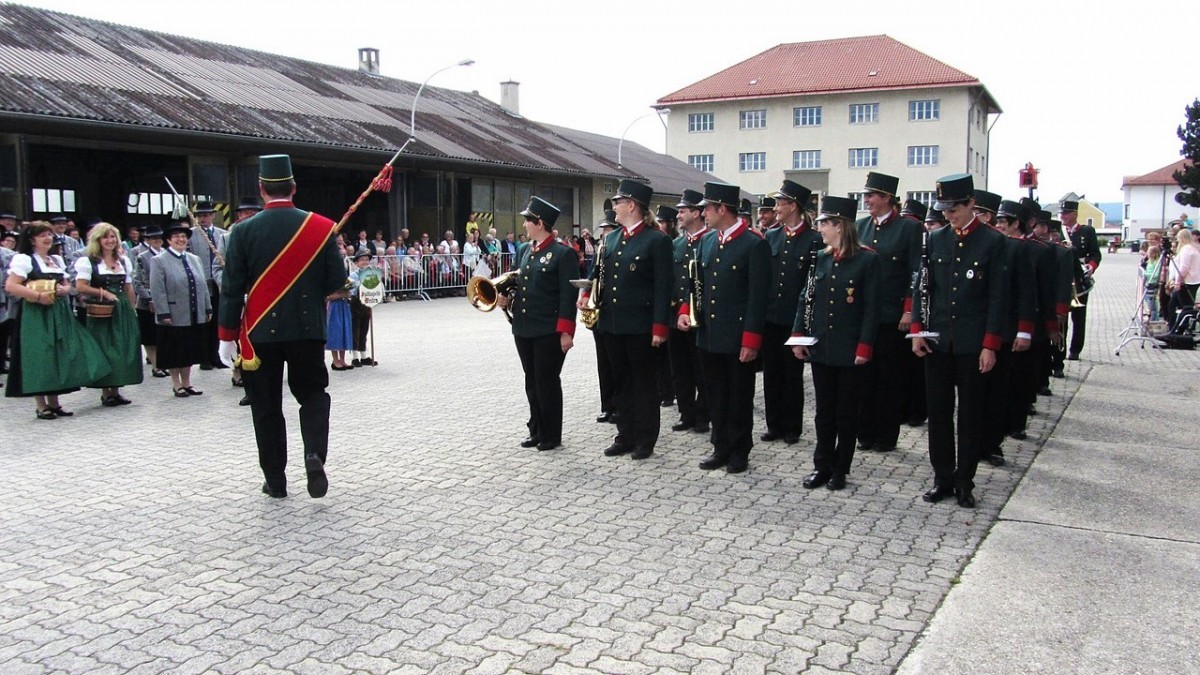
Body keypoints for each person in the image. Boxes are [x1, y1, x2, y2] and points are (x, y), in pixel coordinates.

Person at [218, 154, 346, 500]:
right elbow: (337, 279)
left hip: (261, 332)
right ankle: (314, 453)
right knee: (313, 394)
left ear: (262, 189)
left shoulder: (241, 231)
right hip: (308, 329)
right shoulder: (320, 227)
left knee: (266, 406)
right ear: (294, 187)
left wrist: (226, 335)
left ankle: (275, 480)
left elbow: (231, 288)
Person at [911, 174, 1009, 509]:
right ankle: (942, 478)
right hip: (938, 340)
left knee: (970, 415)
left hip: (972, 343)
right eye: (945, 210)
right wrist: (918, 330)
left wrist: (990, 344)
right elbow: (923, 287)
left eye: (954, 209)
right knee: (938, 414)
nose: (948, 215)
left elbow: (998, 297)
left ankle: (965, 480)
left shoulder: (992, 242)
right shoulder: (935, 239)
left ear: (971, 205)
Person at [677, 181, 770, 474]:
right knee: (715, 394)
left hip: (737, 336)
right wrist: (686, 311)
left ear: (722, 209)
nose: (703, 213)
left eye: (707, 208)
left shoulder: (754, 243)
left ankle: (739, 450)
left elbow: (758, 297)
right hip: (709, 334)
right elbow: (696, 284)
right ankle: (720, 446)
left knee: (739, 397)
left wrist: (751, 340)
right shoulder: (707, 242)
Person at [791, 195, 880, 491]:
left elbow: (871, 309)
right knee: (824, 412)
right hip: (822, 347)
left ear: (839, 226)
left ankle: (841, 468)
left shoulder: (867, 260)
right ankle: (822, 465)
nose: (820, 229)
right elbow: (806, 297)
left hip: (850, 349)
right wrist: (798, 335)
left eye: (824, 224)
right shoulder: (821, 257)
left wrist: (865, 346)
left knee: (846, 413)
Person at [579, 179, 672, 461]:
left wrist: (659, 327)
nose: (614, 207)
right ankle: (625, 434)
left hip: (640, 325)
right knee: (621, 382)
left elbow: (663, 287)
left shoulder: (657, 240)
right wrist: (586, 294)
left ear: (632, 206)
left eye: (618, 202)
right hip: (611, 323)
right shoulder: (611, 239)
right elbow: (598, 273)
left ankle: (644, 439)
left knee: (643, 383)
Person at [4, 222, 110, 417]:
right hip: (36, 314)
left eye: (49, 235)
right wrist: (38, 296)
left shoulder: (56, 259)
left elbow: (68, 284)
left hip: (58, 311)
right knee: (40, 355)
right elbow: (11, 285)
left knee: (58, 353)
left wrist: (64, 289)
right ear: (31, 240)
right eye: (42, 235)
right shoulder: (24, 259)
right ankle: (41, 405)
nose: (48, 238)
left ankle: (54, 403)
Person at [496, 196, 576, 451]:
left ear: (539, 223)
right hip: (524, 326)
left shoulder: (563, 254)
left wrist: (566, 331)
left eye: (527, 220)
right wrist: (504, 298)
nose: (524, 225)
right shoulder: (525, 250)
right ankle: (536, 429)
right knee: (531, 380)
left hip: (548, 329)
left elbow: (568, 296)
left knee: (546, 381)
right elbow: (518, 282)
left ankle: (551, 434)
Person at [854, 172, 923, 451]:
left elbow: (916, 272)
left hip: (891, 316)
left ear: (886, 197)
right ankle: (864, 431)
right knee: (864, 377)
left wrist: (909, 310)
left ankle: (885, 435)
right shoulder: (860, 227)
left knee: (889, 379)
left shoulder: (909, 228)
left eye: (871, 195)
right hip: (863, 316)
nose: (866, 200)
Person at [761, 180, 821, 445]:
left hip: (795, 320)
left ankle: (792, 427)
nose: (775, 208)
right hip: (771, 317)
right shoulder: (772, 236)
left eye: (780, 203)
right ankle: (773, 424)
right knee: (771, 374)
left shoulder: (814, 239)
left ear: (793, 206)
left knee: (792, 376)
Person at [979, 201, 1037, 467]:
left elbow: (1026, 291)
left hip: (1003, 331)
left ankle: (992, 444)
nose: (998, 225)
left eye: (982, 214)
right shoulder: (967, 244)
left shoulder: (1015, 248)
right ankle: (972, 443)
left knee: (997, 392)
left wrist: (1024, 330)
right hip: (972, 332)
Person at [74, 222, 143, 406]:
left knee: (122, 347)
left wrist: (132, 309)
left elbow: (128, 287)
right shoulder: (88, 261)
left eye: (113, 237)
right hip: (102, 310)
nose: (110, 240)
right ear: (97, 240)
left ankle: (116, 390)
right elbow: (80, 287)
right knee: (105, 348)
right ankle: (106, 392)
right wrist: (103, 293)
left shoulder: (123, 261)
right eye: (105, 237)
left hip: (122, 309)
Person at [150, 220, 211, 398]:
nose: (180, 239)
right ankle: (176, 384)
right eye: (176, 236)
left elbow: (203, 286)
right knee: (174, 350)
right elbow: (158, 289)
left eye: (183, 236)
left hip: (193, 312)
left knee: (189, 349)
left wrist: (207, 308)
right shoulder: (159, 260)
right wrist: (163, 312)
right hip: (173, 314)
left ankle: (187, 382)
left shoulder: (194, 259)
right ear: (168, 240)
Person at [667, 189, 710, 434]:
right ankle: (686, 413)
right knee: (680, 369)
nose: (678, 215)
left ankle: (703, 415)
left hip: (700, 317)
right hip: (676, 316)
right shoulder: (677, 244)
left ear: (696, 213)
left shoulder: (709, 241)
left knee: (701, 369)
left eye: (683, 211)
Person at [187, 200, 227, 370]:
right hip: (201, 284)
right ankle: (204, 358)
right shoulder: (190, 235)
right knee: (204, 321)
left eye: (205, 215)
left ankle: (217, 356)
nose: (202, 219)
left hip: (218, 283)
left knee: (218, 319)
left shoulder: (222, 234)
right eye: (199, 216)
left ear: (212, 216)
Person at [1061, 199, 1100, 360]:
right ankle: (1060, 349)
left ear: (1075, 214)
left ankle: (1075, 349)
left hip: (1079, 277)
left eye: (1066, 213)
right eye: (1062, 213)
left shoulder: (1087, 231)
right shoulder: (1059, 231)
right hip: (1063, 277)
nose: (1063, 216)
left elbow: (1095, 253)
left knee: (1079, 316)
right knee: (1061, 315)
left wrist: (1091, 266)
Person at [133, 225, 167, 378]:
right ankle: (155, 365)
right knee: (150, 337)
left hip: (165, 301)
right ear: (148, 240)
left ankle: (162, 363)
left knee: (162, 335)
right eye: (153, 238)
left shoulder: (166, 254)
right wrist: (149, 298)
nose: (157, 240)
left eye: (159, 238)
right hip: (147, 304)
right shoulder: (142, 257)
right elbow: (137, 281)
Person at [348, 247, 376, 366]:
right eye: (362, 260)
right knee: (355, 330)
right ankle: (355, 356)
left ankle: (364, 355)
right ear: (357, 263)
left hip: (367, 303)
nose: (365, 262)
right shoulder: (353, 275)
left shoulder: (372, 273)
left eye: (367, 259)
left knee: (364, 329)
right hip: (355, 303)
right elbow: (350, 289)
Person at [1167, 228, 1200, 324]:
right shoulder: (1193, 248)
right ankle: (1174, 326)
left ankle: (1180, 327)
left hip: (1186, 282)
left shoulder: (1186, 249)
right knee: (1173, 304)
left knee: (1185, 307)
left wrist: (1178, 281)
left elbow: (1183, 268)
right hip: (1192, 281)